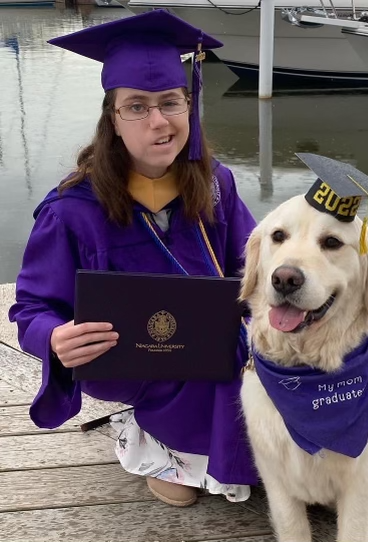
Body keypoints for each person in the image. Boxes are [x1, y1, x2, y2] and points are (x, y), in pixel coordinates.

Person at [8, 9, 259, 507]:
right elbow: (31, 310)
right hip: (145, 365)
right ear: (113, 119)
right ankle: (163, 445)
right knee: (185, 483)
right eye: (137, 107)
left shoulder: (215, 184)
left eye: (171, 102)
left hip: (221, 350)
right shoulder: (72, 212)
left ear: (190, 105)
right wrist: (55, 338)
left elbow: (252, 267)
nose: (159, 121)